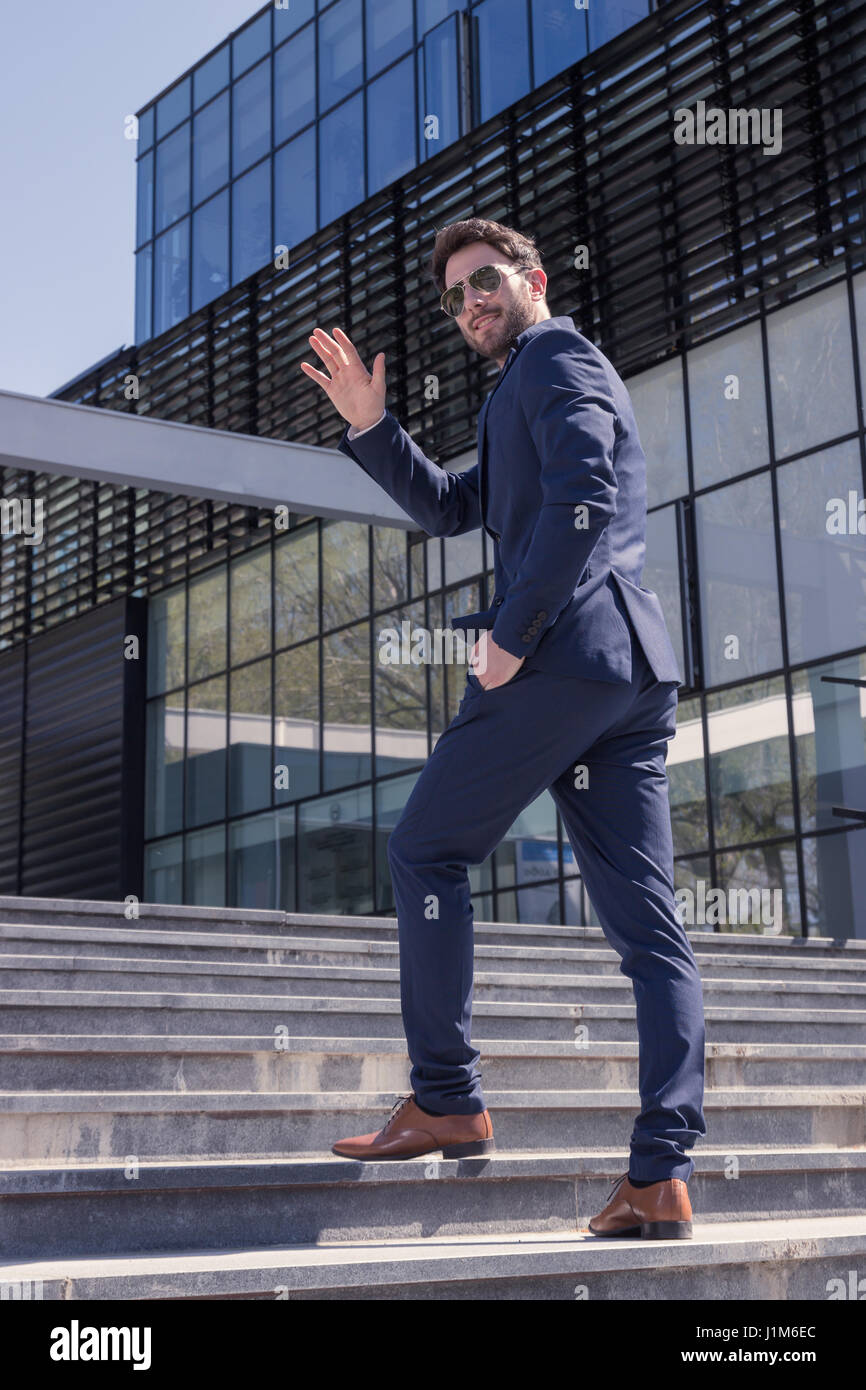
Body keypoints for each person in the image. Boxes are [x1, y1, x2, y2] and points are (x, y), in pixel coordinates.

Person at [300, 217, 706, 1239]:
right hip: (626, 677)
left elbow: (583, 498)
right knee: (648, 934)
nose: (470, 303)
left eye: (484, 281)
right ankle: (658, 1174)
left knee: (424, 848)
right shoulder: (514, 392)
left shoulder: (554, 355)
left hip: (563, 658)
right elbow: (448, 509)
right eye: (454, 297)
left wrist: (513, 637)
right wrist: (368, 427)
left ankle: (445, 1093)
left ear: (528, 278)